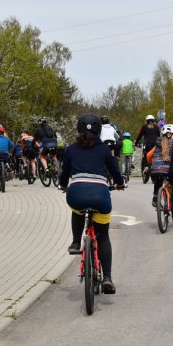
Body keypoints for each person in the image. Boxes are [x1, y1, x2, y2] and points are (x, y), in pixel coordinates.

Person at [59, 113, 125, 294]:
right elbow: (114, 169)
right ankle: (108, 278)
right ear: (99, 130)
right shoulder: (104, 149)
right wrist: (120, 184)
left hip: (76, 193)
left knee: (77, 209)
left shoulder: (71, 149)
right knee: (103, 236)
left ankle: (75, 243)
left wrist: (63, 185)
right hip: (100, 196)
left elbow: (64, 173)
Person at [146, 124, 173, 214]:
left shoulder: (157, 144)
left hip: (156, 171)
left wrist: (151, 163)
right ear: (169, 134)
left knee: (159, 180)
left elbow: (148, 155)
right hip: (170, 172)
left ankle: (155, 196)